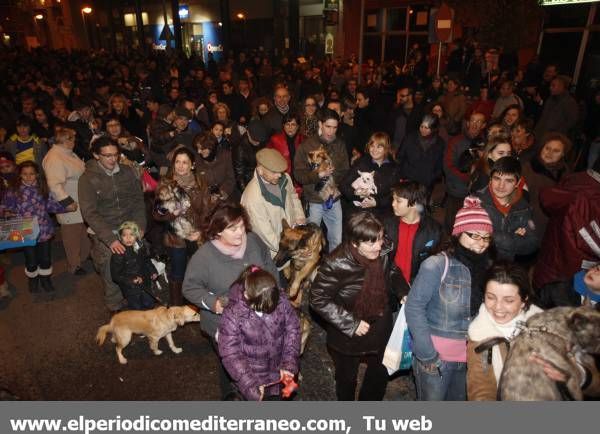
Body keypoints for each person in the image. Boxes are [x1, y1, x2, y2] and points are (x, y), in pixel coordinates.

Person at [182, 202, 279, 400]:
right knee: (235, 367)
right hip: (225, 326)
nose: (240, 233)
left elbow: (269, 265)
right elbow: (189, 288)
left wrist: (277, 290)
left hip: (260, 319)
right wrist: (212, 302)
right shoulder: (204, 257)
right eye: (232, 228)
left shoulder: (253, 241)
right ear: (217, 231)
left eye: (242, 226)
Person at [406, 196, 494, 401]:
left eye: (486, 237)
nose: (481, 243)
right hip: (436, 361)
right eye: (473, 235)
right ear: (458, 233)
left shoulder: (488, 268)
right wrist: (427, 354)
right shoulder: (437, 265)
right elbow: (414, 307)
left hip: (470, 358)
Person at [310, 212, 396, 401]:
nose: (379, 246)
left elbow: (392, 271)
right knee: (346, 377)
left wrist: (403, 290)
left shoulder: (383, 250)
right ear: (355, 243)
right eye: (371, 243)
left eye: (380, 239)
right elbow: (317, 298)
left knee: (380, 370)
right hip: (348, 332)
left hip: (380, 321)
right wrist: (351, 323)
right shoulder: (336, 262)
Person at [78, 137, 146, 312]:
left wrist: (139, 227)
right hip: (105, 230)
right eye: (107, 155)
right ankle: (114, 306)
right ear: (96, 155)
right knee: (111, 268)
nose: (112, 159)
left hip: (129, 227)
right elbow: (89, 213)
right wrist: (110, 240)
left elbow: (138, 201)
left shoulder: (127, 171)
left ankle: (137, 297)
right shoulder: (87, 179)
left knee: (137, 263)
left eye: (115, 155)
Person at [218, 266, 300, 401]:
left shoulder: (281, 301)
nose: (267, 312)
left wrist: (289, 363)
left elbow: (293, 330)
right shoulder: (233, 314)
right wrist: (249, 384)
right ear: (246, 296)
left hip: (278, 374)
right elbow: (230, 353)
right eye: (261, 308)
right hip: (253, 378)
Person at [467, 262, 543, 400]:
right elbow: (481, 390)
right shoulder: (479, 335)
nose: (498, 307)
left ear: (524, 300)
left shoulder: (545, 327)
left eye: (508, 300)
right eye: (490, 297)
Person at [153, 147, 216, 306]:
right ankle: (176, 308)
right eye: (177, 162)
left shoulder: (200, 183)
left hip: (197, 235)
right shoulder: (165, 184)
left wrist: (200, 232)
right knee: (178, 273)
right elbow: (156, 214)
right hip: (176, 237)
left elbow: (207, 211)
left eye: (185, 162)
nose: (181, 166)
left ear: (192, 165)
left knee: (198, 272)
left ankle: (198, 304)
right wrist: (172, 213)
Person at [0, 161, 75, 293]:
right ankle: (33, 279)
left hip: (44, 230)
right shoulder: (13, 191)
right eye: (25, 174)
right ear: (20, 175)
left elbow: (51, 206)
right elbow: (5, 207)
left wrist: (67, 208)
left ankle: (45, 279)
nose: (28, 177)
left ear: (37, 174)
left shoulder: (43, 189)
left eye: (32, 174)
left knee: (45, 259)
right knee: (31, 260)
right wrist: (6, 212)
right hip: (26, 232)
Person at [294, 109, 349, 252]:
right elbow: (298, 175)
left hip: (333, 198)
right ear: (320, 124)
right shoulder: (306, 146)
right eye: (328, 127)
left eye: (335, 127)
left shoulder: (340, 144)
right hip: (314, 200)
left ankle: (332, 271)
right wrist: (318, 175)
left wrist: (332, 178)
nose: (331, 131)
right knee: (311, 242)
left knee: (336, 240)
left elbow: (345, 170)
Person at [42, 126, 90, 275]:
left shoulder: (66, 153)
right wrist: (67, 202)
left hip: (80, 200)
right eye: (73, 138)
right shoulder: (54, 157)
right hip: (70, 204)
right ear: (65, 140)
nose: (75, 141)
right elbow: (55, 184)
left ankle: (82, 257)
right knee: (71, 237)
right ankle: (74, 265)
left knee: (82, 233)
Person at [384, 181, 442, 304]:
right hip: (389, 285)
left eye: (398, 201)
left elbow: (436, 263)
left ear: (414, 203)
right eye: (393, 199)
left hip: (418, 288)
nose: (393, 204)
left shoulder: (434, 230)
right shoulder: (386, 225)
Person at [241, 148, 305, 257]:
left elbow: (293, 196)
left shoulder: (285, 179)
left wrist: (299, 215)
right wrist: (291, 250)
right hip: (275, 254)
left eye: (280, 171)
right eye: (274, 172)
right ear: (260, 170)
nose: (279, 175)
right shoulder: (252, 197)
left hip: (292, 241)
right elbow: (266, 234)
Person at [477, 156, 538, 261]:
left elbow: (532, 243)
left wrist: (492, 235)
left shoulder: (523, 207)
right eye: (497, 178)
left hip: (505, 264)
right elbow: (470, 238)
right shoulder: (476, 202)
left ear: (517, 183)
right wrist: (510, 239)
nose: (501, 186)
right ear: (490, 179)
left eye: (508, 181)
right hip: (480, 262)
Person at [340, 132, 399, 220]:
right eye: (372, 146)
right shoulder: (361, 163)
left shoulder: (393, 168)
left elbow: (395, 194)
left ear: (386, 149)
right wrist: (355, 193)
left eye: (379, 146)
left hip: (381, 215)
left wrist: (377, 202)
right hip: (358, 213)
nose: (374, 150)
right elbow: (343, 185)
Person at [521, 132, 571, 235]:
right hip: (524, 223)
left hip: (548, 229)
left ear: (563, 154)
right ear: (542, 148)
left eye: (556, 151)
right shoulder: (528, 168)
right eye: (547, 148)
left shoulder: (566, 176)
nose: (550, 153)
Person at [110, 221, 158, 311]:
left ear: (137, 236)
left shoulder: (141, 247)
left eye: (131, 234)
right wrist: (132, 280)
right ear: (120, 237)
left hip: (145, 283)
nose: (128, 238)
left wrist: (152, 271)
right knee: (136, 308)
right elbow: (115, 276)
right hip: (130, 289)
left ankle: (149, 322)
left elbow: (147, 261)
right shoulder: (119, 254)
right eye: (124, 235)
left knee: (149, 304)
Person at [396, 114, 445, 196]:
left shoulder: (440, 143)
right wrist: (401, 175)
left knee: (420, 206)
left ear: (433, 129)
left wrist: (433, 177)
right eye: (421, 126)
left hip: (425, 182)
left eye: (427, 128)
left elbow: (439, 163)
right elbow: (400, 156)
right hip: (408, 179)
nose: (423, 130)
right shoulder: (410, 138)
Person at [193, 132, 237, 202]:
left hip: (227, 195)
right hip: (208, 199)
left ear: (211, 147)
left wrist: (222, 192)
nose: (198, 151)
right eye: (197, 148)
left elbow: (231, 178)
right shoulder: (197, 160)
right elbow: (198, 183)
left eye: (202, 148)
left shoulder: (226, 155)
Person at [266, 112, 305, 192]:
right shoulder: (275, 140)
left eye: (293, 124)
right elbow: (267, 160)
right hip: (282, 181)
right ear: (283, 126)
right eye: (287, 124)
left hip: (300, 182)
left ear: (298, 126)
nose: (290, 127)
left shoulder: (304, 140)